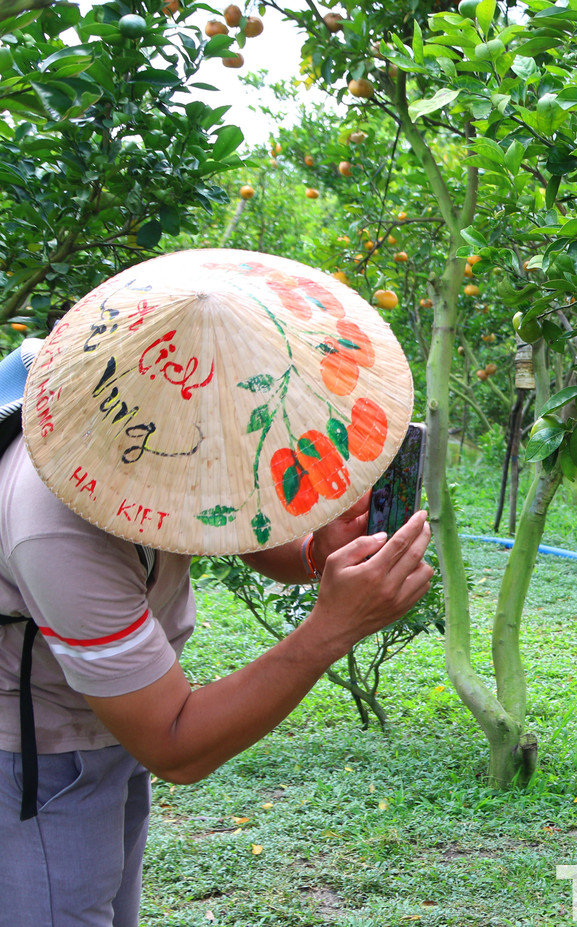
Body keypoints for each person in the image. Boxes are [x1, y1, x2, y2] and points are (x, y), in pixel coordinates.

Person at [0, 250, 434, 927]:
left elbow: (222, 504)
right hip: (41, 756)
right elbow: (174, 741)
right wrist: (331, 628)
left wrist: (315, 549)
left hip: (112, 720)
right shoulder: (58, 533)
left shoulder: (140, 418)